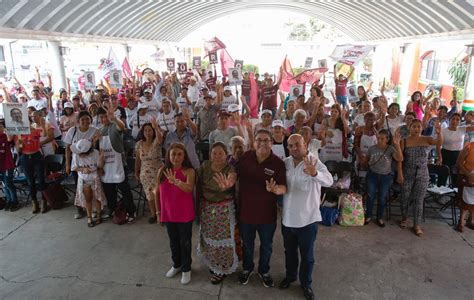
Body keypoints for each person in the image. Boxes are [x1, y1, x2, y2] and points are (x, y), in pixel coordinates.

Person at [279, 134, 333, 300]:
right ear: (287, 148)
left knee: (307, 256)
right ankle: (290, 276)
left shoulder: (314, 161)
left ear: (305, 144)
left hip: (308, 220)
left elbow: (329, 181)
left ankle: (306, 283)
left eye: (298, 144)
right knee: (289, 252)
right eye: (291, 145)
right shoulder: (285, 163)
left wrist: (315, 173)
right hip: (288, 219)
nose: (295, 148)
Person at [236, 129, 287, 288]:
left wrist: (275, 190)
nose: (262, 143)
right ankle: (247, 268)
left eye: (266, 140)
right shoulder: (245, 158)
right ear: (254, 141)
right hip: (246, 213)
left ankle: (264, 271)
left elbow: (284, 188)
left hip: (267, 216)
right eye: (259, 139)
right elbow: (233, 174)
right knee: (247, 245)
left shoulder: (278, 163)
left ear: (272, 143)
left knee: (267, 245)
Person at [196, 142, 239, 284]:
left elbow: (231, 179)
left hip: (224, 210)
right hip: (207, 208)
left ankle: (222, 268)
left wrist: (227, 184)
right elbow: (196, 183)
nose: (217, 156)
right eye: (214, 153)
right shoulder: (205, 166)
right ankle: (214, 263)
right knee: (209, 236)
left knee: (222, 239)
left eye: (220, 153)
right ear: (210, 155)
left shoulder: (230, 168)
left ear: (226, 155)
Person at [155, 143, 196, 285]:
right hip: (169, 214)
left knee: (185, 242)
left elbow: (189, 189)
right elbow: (157, 192)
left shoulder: (189, 171)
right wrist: (158, 212)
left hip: (184, 214)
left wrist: (177, 182)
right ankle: (177, 264)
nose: (176, 157)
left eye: (179, 154)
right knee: (173, 242)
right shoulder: (162, 170)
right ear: (168, 155)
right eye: (173, 154)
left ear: (184, 156)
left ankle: (186, 268)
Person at [398, 119, 443, 236]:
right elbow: (399, 159)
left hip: (423, 173)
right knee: (405, 197)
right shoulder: (404, 141)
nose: (416, 129)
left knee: (419, 199)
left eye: (418, 126)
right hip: (407, 172)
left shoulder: (426, 139)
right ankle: (404, 218)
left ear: (422, 127)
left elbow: (439, 143)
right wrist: (400, 173)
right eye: (414, 126)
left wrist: (439, 133)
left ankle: (416, 224)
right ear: (410, 128)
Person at [97, 107, 136, 223]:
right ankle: (112, 209)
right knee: (109, 191)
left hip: (118, 165)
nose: (104, 119)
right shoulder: (99, 131)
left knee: (125, 190)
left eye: (105, 116)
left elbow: (122, 127)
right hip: (106, 166)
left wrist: (114, 118)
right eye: (101, 117)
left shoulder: (114, 126)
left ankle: (131, 211)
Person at [64, 110, 101, 219]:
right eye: (82, 119)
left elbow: (98, 148)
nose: (85, 121)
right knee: (79, 187)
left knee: (94, 189)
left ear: (91, 119)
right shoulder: (72, 131)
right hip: (77, 164)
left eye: (87, 119)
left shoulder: (95, 130)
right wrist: (67, 164)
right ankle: (80, 209)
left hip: (91, 165)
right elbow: (67, 148)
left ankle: (94, 209)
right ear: (78, 121)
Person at [365, 129, 403, 227]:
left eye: (382, 138)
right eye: (378, 138)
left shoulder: (390, 149)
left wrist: (397, 145)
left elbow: (400, 159)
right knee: (370, 196)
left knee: (382, 198)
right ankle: (368, 215)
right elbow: (367, 159)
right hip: (372, 175)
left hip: (385, 177)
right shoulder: (372, 148)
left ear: (387, 139)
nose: (379, 140)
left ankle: (379, 217)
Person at [70, 139, 107, 227]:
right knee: (88, 199)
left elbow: (99, 166)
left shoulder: (95, 153)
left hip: (94, 178)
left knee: (97, 198)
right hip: (84, 179)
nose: (80, 154)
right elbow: (74, 168)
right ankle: (89, 217)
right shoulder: (76, 155)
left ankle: (98, 215)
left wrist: (101, 158)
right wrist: (83, 169)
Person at [16, 118, 47, 213]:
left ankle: (44, 201)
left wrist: (43, 124)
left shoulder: (36, 131)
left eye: (26, 122)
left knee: (41, 180)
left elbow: (44, 135)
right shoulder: (20, 134)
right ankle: (34, 202)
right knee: (30, 182)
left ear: (30, 123)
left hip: (36, 156)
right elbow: (19, 150)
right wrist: (19, 140)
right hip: (25, 157)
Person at [135, 123, 163, 224]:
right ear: (142, 132)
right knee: (149, 195)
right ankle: (153, 214)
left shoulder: (157, 142)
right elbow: (138, 160)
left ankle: (161, 214)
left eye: (150, 130)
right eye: (145, 130)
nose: (148, 132)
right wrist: (136, 172)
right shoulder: (139, 144)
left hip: (158, 173)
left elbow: (160, 137)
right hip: (145, 175)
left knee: (158, 194)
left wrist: (156, 127)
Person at [440, 113, 474, 186]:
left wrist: (472, 119)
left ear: (459, 121)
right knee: (442, 176)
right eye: (453, 119)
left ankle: (455, 194)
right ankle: (439, 192)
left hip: (458, 155)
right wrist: (439, 157)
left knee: (456, 177)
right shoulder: (443, 130)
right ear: (449, 120)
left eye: (457, 119)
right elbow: (439, 144)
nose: (455, 121)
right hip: (445, 153)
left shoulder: (462, 129)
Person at [0, 119, 19, 211]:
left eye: (0, 126)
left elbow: (9, 139)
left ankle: (14, 201)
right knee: (4, 184)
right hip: (1, 165)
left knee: (8, 183)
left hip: (7, 164)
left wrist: (6, 130)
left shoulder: (6, 137)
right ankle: (8, 200)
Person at [456, 141, 474, 232]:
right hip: (465, 176)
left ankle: (471, 221)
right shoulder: (469, 146)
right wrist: (468, 174)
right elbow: (459, 163)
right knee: (465, 199)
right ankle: (461, 221)